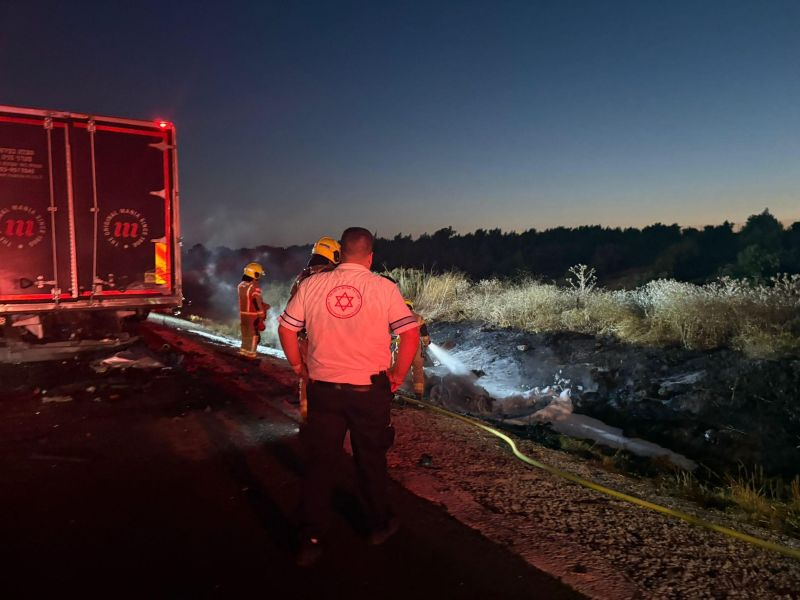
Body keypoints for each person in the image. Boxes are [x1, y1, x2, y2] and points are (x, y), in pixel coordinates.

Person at [278, 227, 420, 567]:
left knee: (320, 462)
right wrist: (398, 375)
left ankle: (310, 538)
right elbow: (410, 333)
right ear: (370, 257)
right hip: (369, 392)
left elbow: (286, 328)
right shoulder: (383, 288)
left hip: (324, 390)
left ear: (340, 253)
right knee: (370, 459)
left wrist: (298, 365)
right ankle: (378, 525)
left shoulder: (312, 285)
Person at [289, 236, 342, 421]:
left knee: (307, 379)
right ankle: (327, 420)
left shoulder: (301, 278)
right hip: (328, 340)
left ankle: (306, 418)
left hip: (304, 339)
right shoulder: (334, 278)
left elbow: (291, 312)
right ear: (334, 255)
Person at [395, 299, 430, 399]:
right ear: (411, 307)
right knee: (418, 370)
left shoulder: (398, 317)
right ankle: (419, 395)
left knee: (399, 369)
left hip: (403, 346)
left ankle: (398, 390)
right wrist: (426, 343)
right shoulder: (418, 317)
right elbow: (425, 335)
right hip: (416, 347)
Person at [238, 262, 269, 358]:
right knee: (253, 336)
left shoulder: (241, 285)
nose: (259, 277)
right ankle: (251, 355)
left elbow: (248, 300)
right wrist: (261, 314)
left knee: (245, 334)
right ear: (254, 274)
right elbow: (256, 301)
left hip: (243, 315)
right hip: (252, 315)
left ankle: (243, 352)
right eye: (258, 274)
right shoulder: (254, 286)